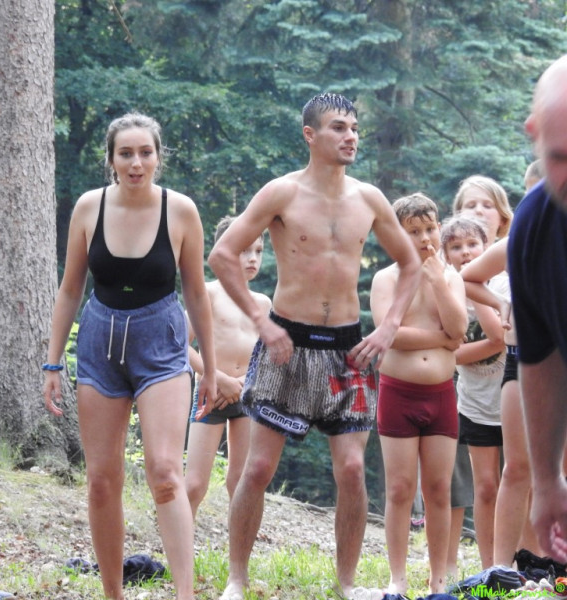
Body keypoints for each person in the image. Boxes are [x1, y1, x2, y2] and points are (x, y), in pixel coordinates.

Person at [207, 92, 422, 600]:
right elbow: (222, 254)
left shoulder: (369, 199)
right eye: (338, 127)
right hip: (287, 343)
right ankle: (236, 579)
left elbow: (411, 263)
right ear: (310, 134)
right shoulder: (281, 193)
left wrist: (388, 327)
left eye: (355, 128)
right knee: (258, 467)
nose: (350, 137)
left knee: (351, 468)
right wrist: (260, 320)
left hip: (348, 351)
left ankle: (347, 584)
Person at [42, 112, 217, 600]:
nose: (136, 163)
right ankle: (113, 594)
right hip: (100, 344)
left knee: (165, 473)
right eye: (126, 154)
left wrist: (211, 367)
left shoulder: (180, 210)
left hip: (161, 344)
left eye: (145, 153)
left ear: (158, 157)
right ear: (112, 160)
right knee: (102, 480)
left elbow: (197, 294)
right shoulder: (88, 208)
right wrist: (53, 363)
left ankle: (185, 595)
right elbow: (70, 289)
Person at [372, 194, 468, 595]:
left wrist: (436, 280)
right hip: (398, 394)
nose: (425, 238)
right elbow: (390, 333)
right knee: (399, 488)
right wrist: (442, 339)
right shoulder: (386, 279)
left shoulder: (451, 277)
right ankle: (397, 577)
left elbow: (459, 328)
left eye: (430, 229)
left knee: (438, 489)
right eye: (413, 232)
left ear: (440, 229)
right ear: (397, 236)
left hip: (441, 395)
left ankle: (438, 578)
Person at [507, 54, 567, 563]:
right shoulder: (534, 228)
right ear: (534, 135)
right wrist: (547, 481)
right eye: (561, 157)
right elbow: (542, 357)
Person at [185, 216, 272, 519]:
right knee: (194, 484)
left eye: (258, 251)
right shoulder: (207, 293)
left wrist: (244, 382)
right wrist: (218, 378)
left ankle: (240, 547)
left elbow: (267, 354)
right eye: (244, 250)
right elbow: (180, 344)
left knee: (242, 483)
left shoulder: (263, 303)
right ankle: (178, 543)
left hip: (248, 397)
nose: (253, 258)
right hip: (211, 394)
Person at [448, 176, 514, 569]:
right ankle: (492, 569)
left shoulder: (512, 269)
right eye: (469, 205)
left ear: (502, 218)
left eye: (486, 205)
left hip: (519, 393)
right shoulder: (446, 280)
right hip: (475, 401)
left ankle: (525, 564)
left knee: (521, 481)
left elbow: (501, 337)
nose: (477, 212)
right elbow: (446, 349)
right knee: (486, 486)